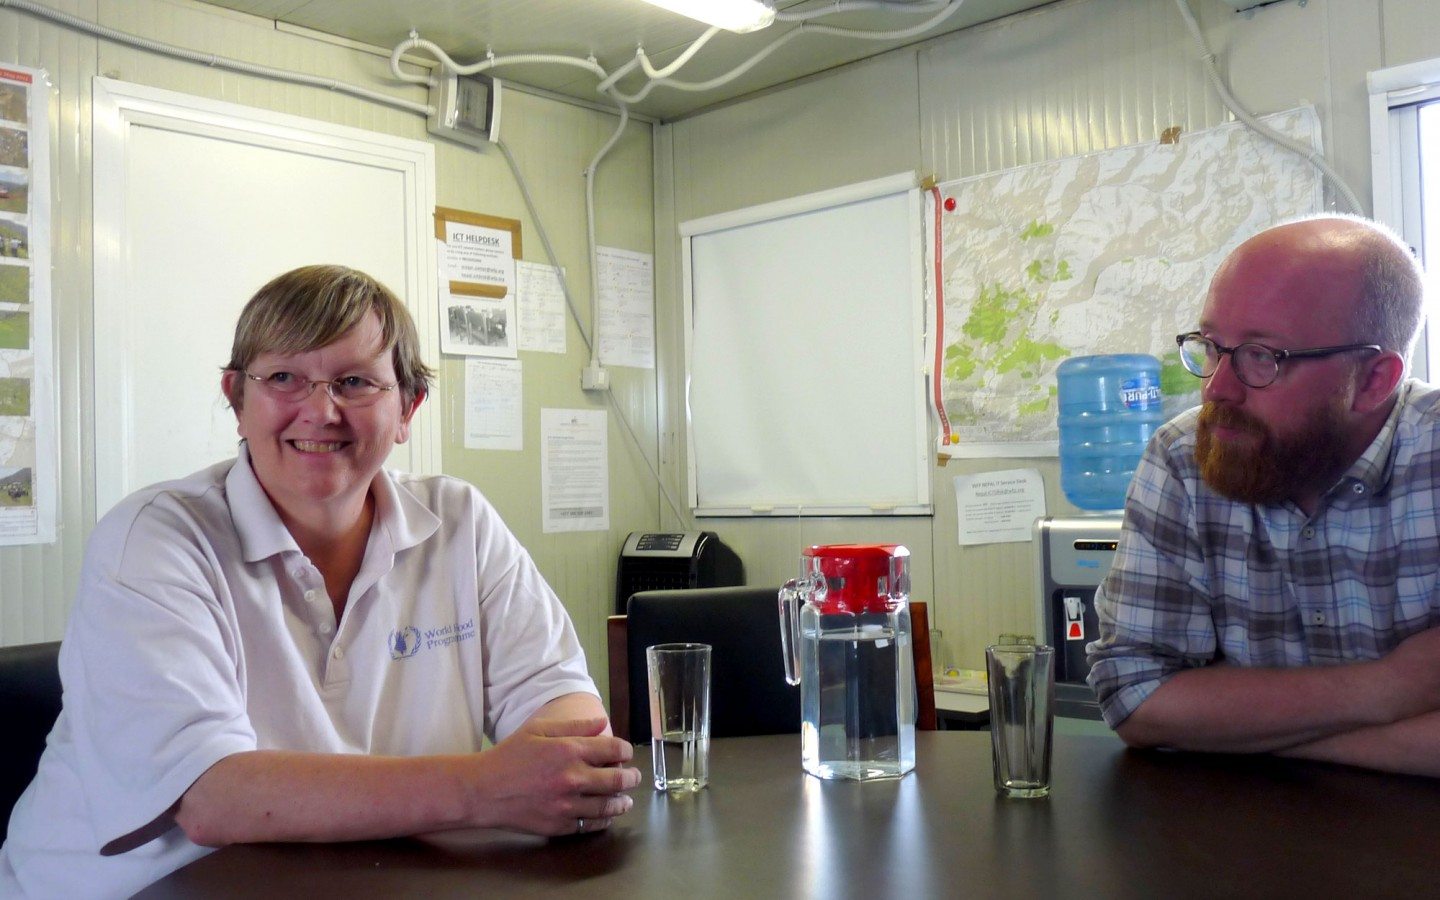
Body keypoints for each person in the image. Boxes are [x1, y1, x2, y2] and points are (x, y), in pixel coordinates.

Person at [0, 265, 640, 898]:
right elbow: (210, 796)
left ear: (408, 408)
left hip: (364, 881)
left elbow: (564, 709)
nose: (320, 411)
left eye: (355, 382)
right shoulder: (152, 539)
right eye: (283, 378)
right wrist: (484, 788)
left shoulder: (460, 522)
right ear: (236, 399)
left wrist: (559, 767)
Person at [1086, 214, 1440, 777]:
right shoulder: (1182, 459)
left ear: (1375, 380)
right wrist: (1388, 689)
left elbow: (1167, 716)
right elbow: (1135, 699)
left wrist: (1235, 729)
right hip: (1232, 848)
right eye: (1211, 347)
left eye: (1263, 357)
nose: (1216, 389)